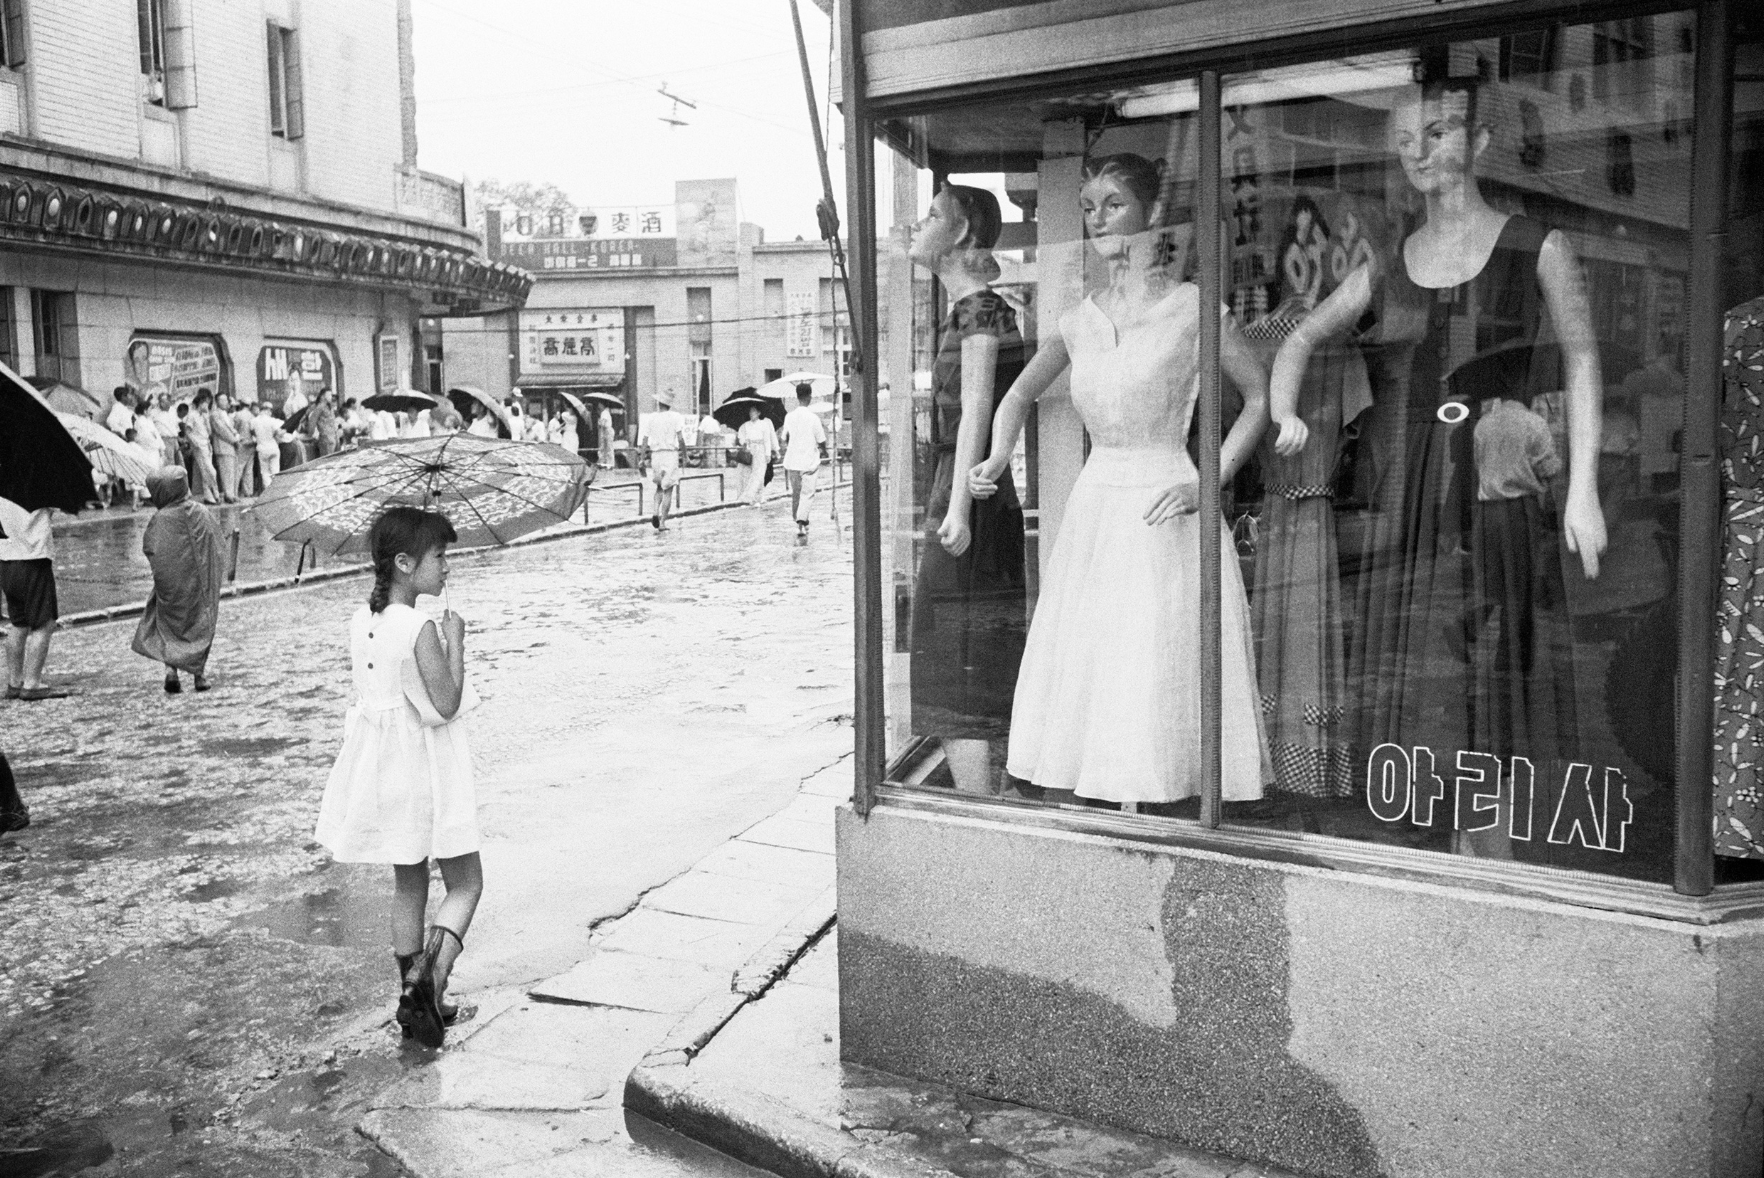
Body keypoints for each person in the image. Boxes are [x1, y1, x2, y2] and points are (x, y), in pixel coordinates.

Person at [1269, 77, 1606, 799]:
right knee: (1425, 640)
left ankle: (1498, 822)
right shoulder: (1386, 264)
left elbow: (1582, 358)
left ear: (1480, 142)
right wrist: (1284, 411)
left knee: (1502, 636)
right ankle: (1427, 807)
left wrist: (1583, 491)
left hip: (1500, 468)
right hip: (1421, 473)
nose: (1418, 152)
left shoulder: (1536, 245)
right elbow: (1301, 337)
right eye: (1403, 140)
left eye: (1438, 132)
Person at [969, 152, 1273, 806]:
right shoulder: (1080, 320)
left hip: (1168, 503)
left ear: (1152, 214)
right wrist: (997, 457)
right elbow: (1017, 395)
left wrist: (1210, 483)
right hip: (1096, 512)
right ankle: (1113, 813)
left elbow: (1259, 398)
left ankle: (1163, 812)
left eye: (1113, 203)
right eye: (1087, 206)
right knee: (1099, 662)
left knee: (1154, 661)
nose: (1098, 217)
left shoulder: (1194, 309)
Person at [313, 507, 480, 1049]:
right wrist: (456, 642)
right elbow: (446, 702)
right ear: (405, 563)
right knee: (466, 882)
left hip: (384, 768)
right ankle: (429, 985)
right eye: (439, 556)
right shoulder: (418, 625)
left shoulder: (364, 620)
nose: (447, 567)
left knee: (409, 883)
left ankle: (412, 1000)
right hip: (423, 768)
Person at [906, 184, 1029, 792]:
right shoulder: (971, 310)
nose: (917, 224)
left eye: (930, 216)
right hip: (965, 489)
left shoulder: (982, 310)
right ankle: (983, 799)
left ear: (958, 233)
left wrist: (955, 511)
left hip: (970, 497)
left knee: (955, 654)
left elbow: (979, 413)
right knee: (954, 649)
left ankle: (981, 805)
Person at [131, 467, 224, 693]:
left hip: (171, 585)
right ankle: (198, 675)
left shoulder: (160, 519)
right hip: (201, 583)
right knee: (200, 623)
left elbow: (151, 549)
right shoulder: (201, 511)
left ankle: (171, 671)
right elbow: (217, 542)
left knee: (169, 624)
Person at [0, 499, 68, 700]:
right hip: (33, 559)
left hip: (5, 559)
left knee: (18, 623)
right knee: (44, 623)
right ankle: (32, 684)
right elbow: (54, 510)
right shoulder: (40, 484)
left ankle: (15, 682)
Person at [778, 385, 828, 537]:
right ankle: (801, 521)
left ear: (797, 396)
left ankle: (799, 521)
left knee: (796, 492)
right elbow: (821, 440)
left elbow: (784, 437)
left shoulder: (789, 417)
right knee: (807, 493)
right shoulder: (813, 418)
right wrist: (824, 451)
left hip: (792, 461)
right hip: (808, 461)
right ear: (809, 396)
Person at [638, 390, 687, 530]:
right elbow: (680, 438)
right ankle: (663, 522)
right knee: (669, 490)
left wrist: (642, 458)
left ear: (659, 403)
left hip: (656, 455)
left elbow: (645, 439)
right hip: (670, 454)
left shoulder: (652, 418)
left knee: (659, 487)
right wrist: (685, 455)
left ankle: (654, 511)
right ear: (669, 405)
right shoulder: (675, 417)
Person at [736, 405, 778, 505]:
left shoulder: (764, 424)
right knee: (750, 474)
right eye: (750, 412)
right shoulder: (746, 425)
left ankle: (758, 497)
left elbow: (767, 440)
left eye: (754, 412)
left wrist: (768, 453)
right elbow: (741, 437)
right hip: (751, 450)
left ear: (759, 413)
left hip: (761, 450)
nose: (751, 414)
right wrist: (744, 443)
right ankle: (749, 497)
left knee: (759, 474)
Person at [186, 389, 220, 505]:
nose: (208, 405)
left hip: (206, 445)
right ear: (201, 403)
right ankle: (215, 492)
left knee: (206, 471)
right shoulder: (192, 415)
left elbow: (209, 433)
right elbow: (188, 432)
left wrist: (206, 421)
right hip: (199, 446)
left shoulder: (204, 416)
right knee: (210, 471)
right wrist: (195, 444)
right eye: (206, 402)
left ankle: (209, 495)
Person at [208, 394, 240, 504]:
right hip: (223, 446)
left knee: (231, 471)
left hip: (230, 446)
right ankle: (228, 494)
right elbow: (222, 430)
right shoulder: (215, 414)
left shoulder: (225, 414)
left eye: (227, 399)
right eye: (223, 400)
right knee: (226, 471)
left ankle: (232, 494)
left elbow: (230, 428)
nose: (226, 402)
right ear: (217, 401)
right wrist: (234, 440)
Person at [252, 402, 289, 491]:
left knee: (265, 472)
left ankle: (268, 490)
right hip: (273, 448)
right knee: (275, 471)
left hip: (262, 449)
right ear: (268, 410)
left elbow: (252, 433)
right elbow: (279, 433)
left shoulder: (254, 421)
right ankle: (276, 491)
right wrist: (285, 430)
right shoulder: (272, 420)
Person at [231, 397, 258, 497]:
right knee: (248, 469)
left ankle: (234, 492)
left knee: (238, 468)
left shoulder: (238, 415)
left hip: (242, 444)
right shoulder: (252, 416)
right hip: (251, 444)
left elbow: (234, 429)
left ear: (241, 405)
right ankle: (248, 492)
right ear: (249, 406)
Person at [311, 390, 340, 457]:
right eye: (329, 395)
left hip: (333, 436)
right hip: (326, 438)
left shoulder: (329, 407)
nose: (331, 397)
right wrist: (312, 434)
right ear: (323, 396)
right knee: (327, 460)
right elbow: (312, 421)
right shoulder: (319, 407)